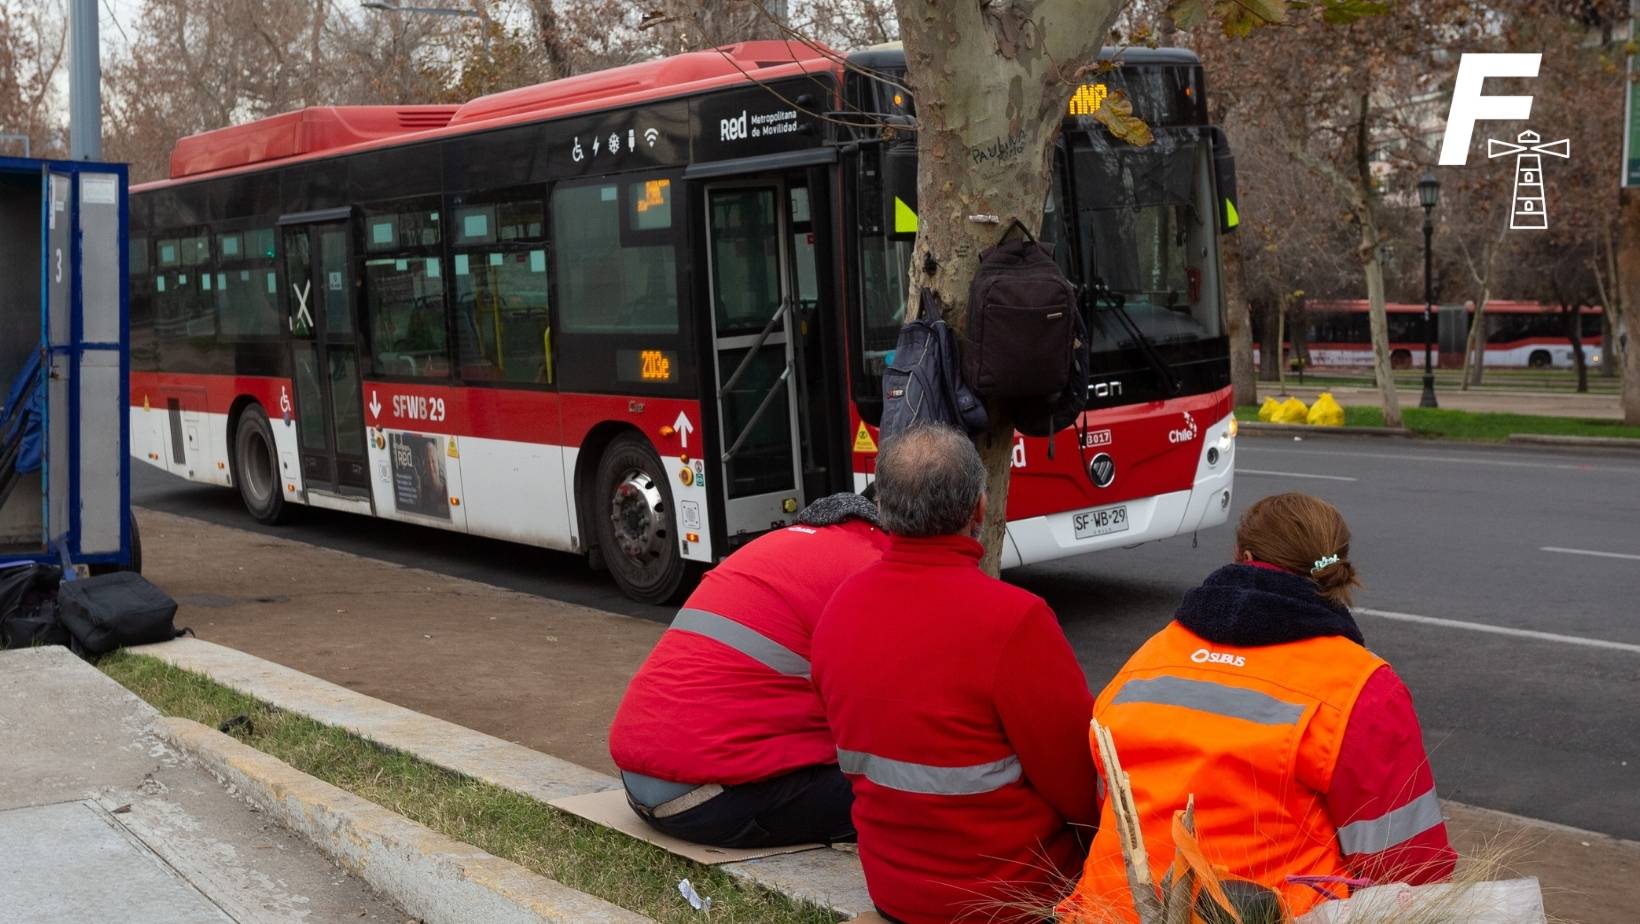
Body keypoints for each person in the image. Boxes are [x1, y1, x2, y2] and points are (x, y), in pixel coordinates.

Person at [1060, 492, 1457, 922]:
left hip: (1109, 911)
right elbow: (1412, 869)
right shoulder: (1360, 688)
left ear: (1242, 557)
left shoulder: (1149, 658)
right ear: (1336, 571)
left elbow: (1107, 801)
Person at [811, 425, 1100, 924]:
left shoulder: (838, 609)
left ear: (882, 509)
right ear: (979, 511)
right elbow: (1081, 785)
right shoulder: (1015, 621)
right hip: (1009, 897)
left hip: (894, 888)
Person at [607, 492, 888, 848]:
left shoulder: (775, 544)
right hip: (711, 800)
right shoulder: (875, 566)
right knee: (904, 793)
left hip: (637, 784)